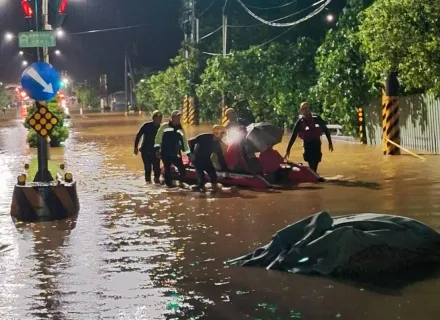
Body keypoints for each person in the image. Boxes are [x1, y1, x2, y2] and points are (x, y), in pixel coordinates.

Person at [285, 102, 333, 174]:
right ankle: (314, 175)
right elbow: (294, 135)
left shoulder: (316, 118)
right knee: (311, 162)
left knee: (316, 161)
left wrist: (330, 143)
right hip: (307, 144)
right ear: (301, 111)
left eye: (307, 108)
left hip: (316, 143)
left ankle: (314, 175)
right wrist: (288, 149)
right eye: (304, 109)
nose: (306, 110)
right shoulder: (300, 122)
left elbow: (325, 130)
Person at [154, 110, 191, 188]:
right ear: (172, 117)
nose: (178, 119)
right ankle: (169, 187)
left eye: (179, 117)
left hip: (176, 153)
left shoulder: (180, 129)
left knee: (182, 170)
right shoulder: (164, 127)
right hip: (165, 152)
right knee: (167, 168)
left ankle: (180, 182)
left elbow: (184, 143)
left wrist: (188, 154)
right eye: (176, 117)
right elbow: (158, 139)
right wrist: (157, 150)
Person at [189, 125, 228, 192]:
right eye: (222, 134)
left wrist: (225, 169)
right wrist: (191, 153)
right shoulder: (204, 137)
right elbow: (190, 142)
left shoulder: (217, 144)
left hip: (206, 160)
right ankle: (198, 191)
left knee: (214, 176)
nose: (223, 136)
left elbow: (220, 157)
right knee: (202, 179)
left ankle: (214, 191)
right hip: (197, 159)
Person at [134, 110, 163, 184]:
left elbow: (164, 141)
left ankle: (157, 184)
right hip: (145, 150)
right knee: (147, 169)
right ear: (153, 118)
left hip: (155, 152)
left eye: (160, 118)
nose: (159, 119)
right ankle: (148, 184)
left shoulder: (162, 128)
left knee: (156, 169)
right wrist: (136, 147)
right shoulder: (146, 126)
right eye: (157, 118)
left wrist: (161, 151)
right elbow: (138, 136)